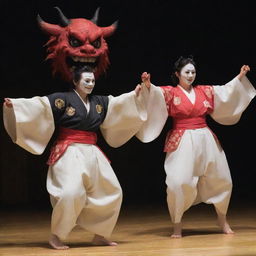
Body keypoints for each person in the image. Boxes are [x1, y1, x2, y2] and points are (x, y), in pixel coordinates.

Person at [3, 65, 148, 249]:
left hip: (92, 152)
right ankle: (57, 235)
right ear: (75, 82)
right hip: (68, 150)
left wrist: (135, 95)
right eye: (86, 81)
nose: (90, 84)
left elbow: (118, 103)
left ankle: (100, 234)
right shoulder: (62, 100)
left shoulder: (99, 102)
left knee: (112, 191)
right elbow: (41, 105)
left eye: (93, 81)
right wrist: (17, 105)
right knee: (70, 193)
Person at [136, 56, 256, 238]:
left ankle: (222, 219)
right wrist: (147, 86)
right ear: (177, 74)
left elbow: (226, 91)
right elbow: (155, 96)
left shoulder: (205, 91)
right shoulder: (171, 93)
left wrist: (240, 77)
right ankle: (177, 224)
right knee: (178, 182)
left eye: (193, 72)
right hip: (182, 138)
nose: (191, 75)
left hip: (206, 137)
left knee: (222, 178)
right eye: (187, 72)